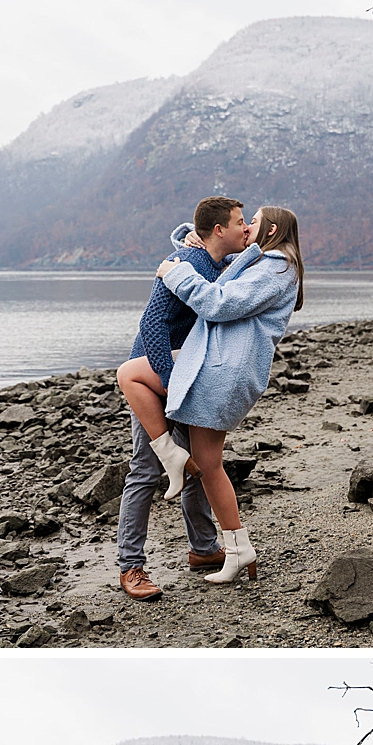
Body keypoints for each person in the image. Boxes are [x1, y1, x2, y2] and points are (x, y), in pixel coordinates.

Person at [152, 205, 306, 585]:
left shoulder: (276, 268)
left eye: (252, 221)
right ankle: (238, 550)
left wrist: (177, 273)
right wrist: (189, 235)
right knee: (207, 462)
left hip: (222, 373)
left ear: (270, 229)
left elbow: (219, 304)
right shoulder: (266, 261)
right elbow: (219, 249)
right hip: (215, 366)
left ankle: (169, 454)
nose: (247, 226)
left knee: (209, 463)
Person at [113, 195, 252, 601]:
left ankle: (204, 549)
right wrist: (169, 380)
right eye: (240, 221)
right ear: (219, 230)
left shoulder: (217, 263)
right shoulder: (187, 263)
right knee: (145, 469)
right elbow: (151, 323)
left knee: (195, 465)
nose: (246, 228)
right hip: (154, 373)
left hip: (187, 375)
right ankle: (131, 566)